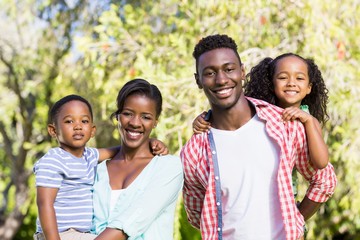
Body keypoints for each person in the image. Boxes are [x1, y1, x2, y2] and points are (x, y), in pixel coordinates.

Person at [180, 34, 337, 240]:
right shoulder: (193, 151)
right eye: (210, 73)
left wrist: (295, 220)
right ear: (198, 80)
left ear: (242, 71)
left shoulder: (285, 124)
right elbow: (199, 216)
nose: (221, 79)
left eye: (229, 69)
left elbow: (324, 180)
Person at [193, 52, 330, 199]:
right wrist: (204, 119)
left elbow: (321, 163)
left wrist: (308, 122)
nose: (291, 83)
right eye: (283, 77)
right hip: (250, 192)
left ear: (309, 87)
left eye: (300, 78)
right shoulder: (257, 112)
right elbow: (229, 115)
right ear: (271, 84)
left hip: (284, 199)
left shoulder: (307, 119)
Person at [33, 94, 168, 240]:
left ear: (92, 130)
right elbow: (44, 203)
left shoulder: (89, 155)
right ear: (53, 130)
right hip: (59, 234)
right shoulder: (53, 160)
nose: (78, 126)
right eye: (69, 121)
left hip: (81, 234)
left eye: (84, 121)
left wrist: (148, 142)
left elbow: (119, 150)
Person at [91, 79, 184, 240]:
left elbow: (129, 222)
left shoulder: (169, 167)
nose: (135, 123)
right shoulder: (97, 171)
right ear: (118, 116)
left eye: (146, 117)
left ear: (155, 122)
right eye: (128, 113)